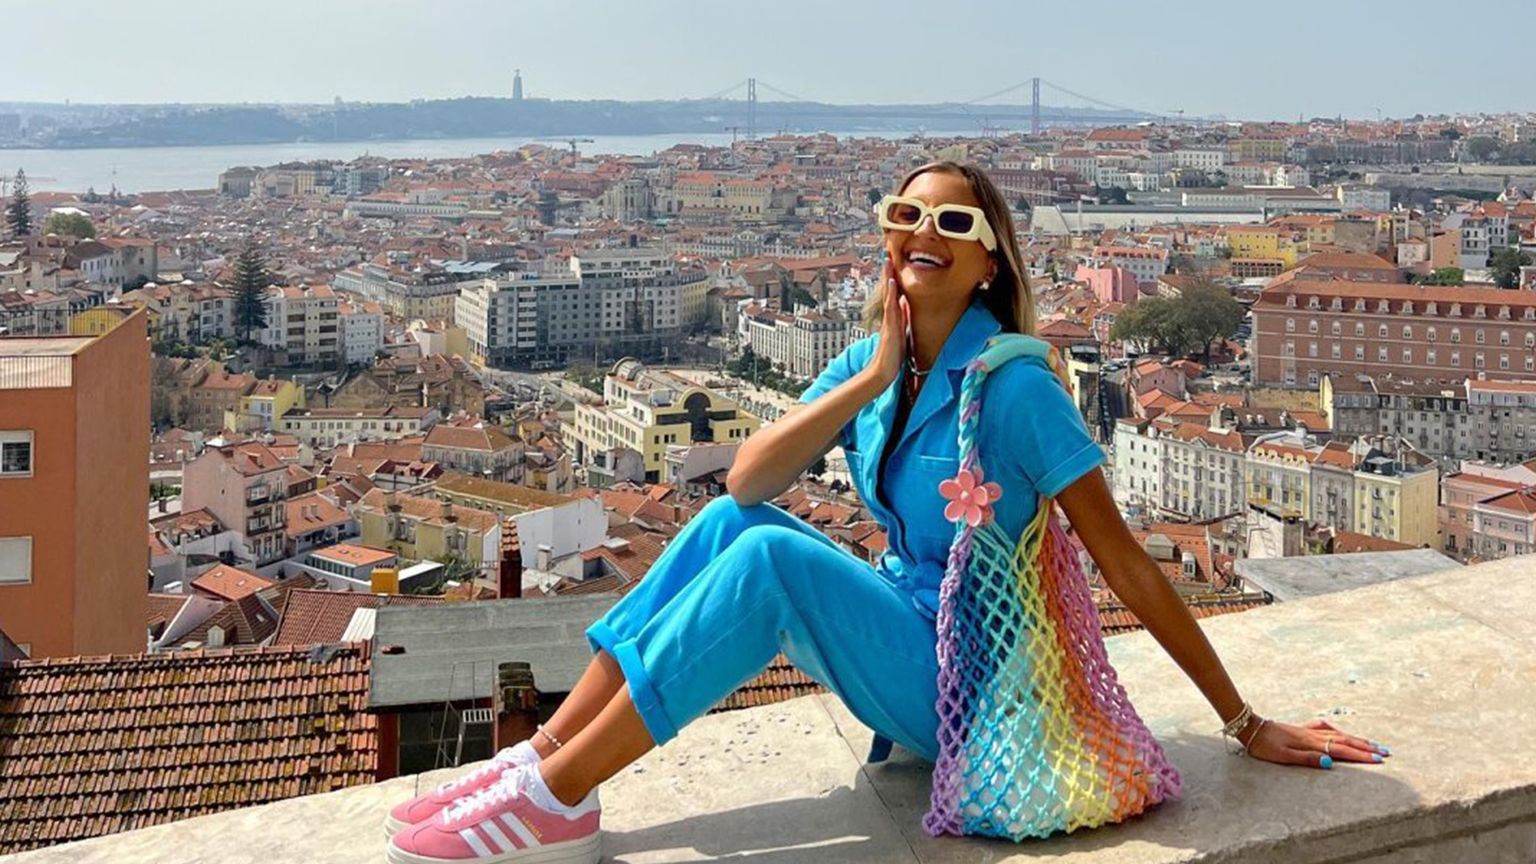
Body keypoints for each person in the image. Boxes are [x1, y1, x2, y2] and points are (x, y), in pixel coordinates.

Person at [384, 162, 1391, 864]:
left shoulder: (1018, 388)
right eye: (903, 216)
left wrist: (1243, 719)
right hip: (910, 633)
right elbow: (744, 482)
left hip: (977, 690)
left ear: (992, 259)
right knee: (739, 532)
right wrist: (867, 379)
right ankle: (549, 760)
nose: (922, 235)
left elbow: (1124, 563)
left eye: (954, 223)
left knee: (770, 572)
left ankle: (551, 803)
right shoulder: (885, 365)